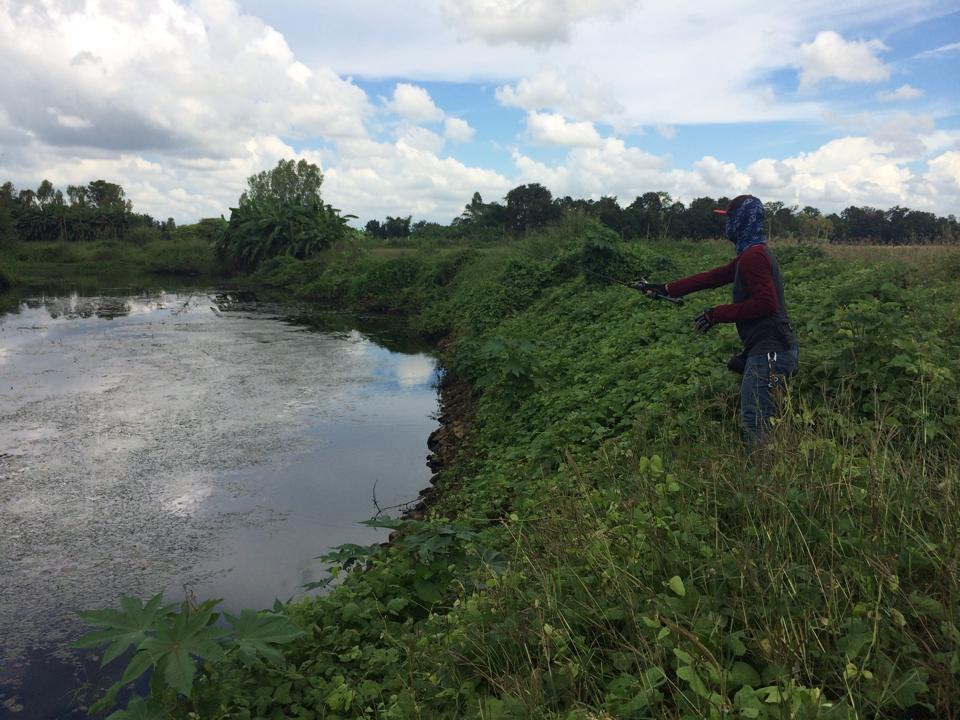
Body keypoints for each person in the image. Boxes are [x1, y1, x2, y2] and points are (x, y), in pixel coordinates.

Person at [643, 195, 798, 447]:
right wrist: (667, 289)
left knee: (755, 421)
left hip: (770, 353)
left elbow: (767, 303)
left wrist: (716, 314)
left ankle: (763, 479)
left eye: (730, 219)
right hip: (769, 350)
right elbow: (714, 276)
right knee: (761, 418)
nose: (728, 226)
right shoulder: (751, 254)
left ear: (742, 221)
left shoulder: (754, 257)